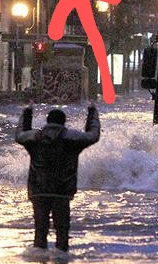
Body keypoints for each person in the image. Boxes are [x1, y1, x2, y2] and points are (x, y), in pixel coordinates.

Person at [15, 101, 100, 253]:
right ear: (63, 122)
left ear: (47, 121)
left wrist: (27, 112)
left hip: (38, 191)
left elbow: (20, 135)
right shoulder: (72, 139)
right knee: (62, 232)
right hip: (61, 192)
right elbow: (92, 135)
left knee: (40, 231)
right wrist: (92, 113)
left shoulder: (36, 138)